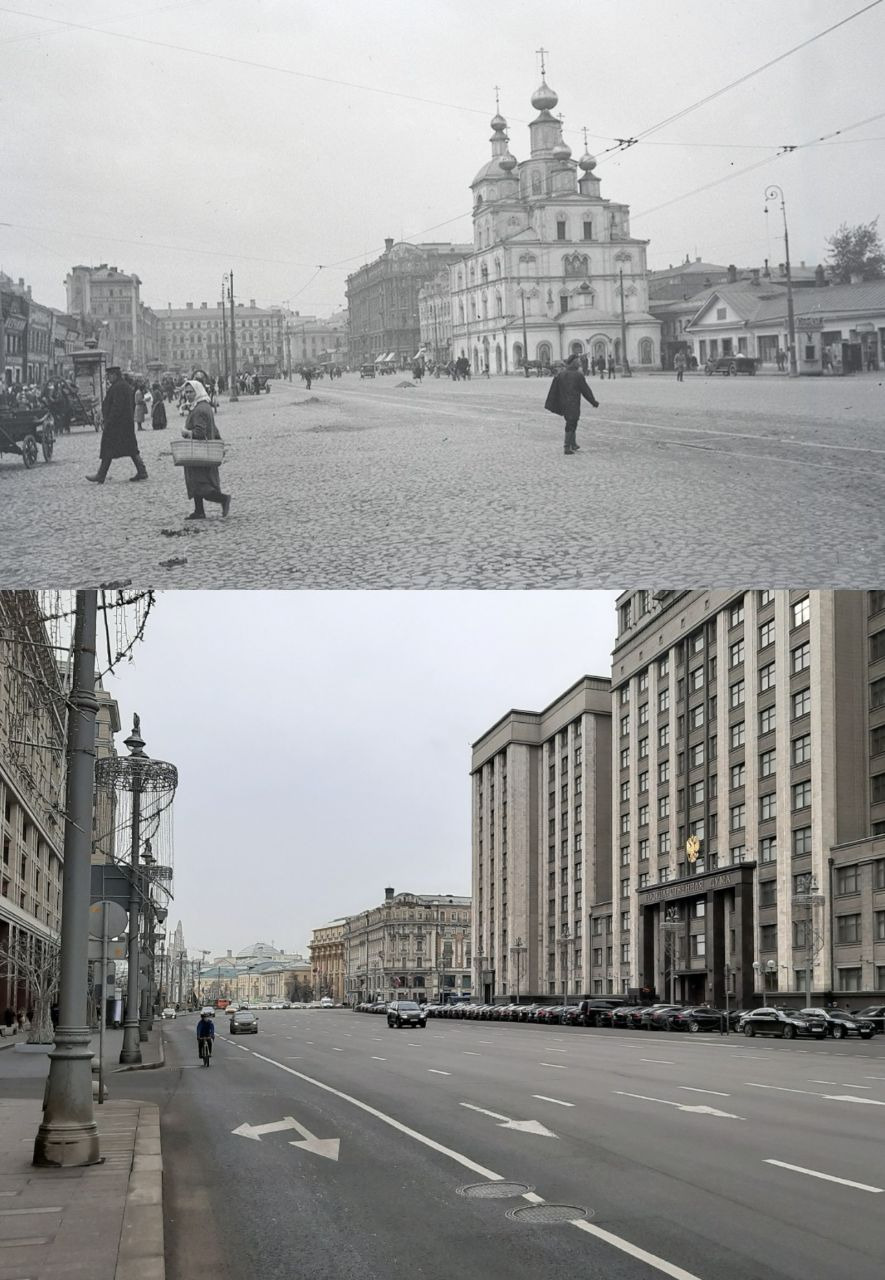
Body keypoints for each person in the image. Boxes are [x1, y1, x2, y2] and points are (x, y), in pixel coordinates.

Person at [86, 366, 148, 484]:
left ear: (114, 375)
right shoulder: (123, 385)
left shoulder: (118, 387)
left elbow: (117, 407)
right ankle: (141, 470)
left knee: (109, 449)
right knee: (130, 449)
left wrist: (109, 421)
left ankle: (101, 475)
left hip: (117, 425)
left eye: (109, 375)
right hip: (124, 424)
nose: (108, 378)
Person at [180, 379, 231, 520]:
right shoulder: (203, 405)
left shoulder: (199, 410)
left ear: (198, 391)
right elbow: (213, 428)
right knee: (196, 480)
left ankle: (223, 499)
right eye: (187, 392)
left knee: (200, 484)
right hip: (203, 451)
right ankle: (199, 511)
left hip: (199, 451)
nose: (188, 394)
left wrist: (186, 432)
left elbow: (199, 433)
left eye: (191, 392)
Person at [545, 352, 600, 455]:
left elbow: (554, 390)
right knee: (571, 423)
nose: (580, 362)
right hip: (573, 403)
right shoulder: (578, 375)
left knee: (572, 421)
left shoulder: (561, 374)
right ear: (574, 363)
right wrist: (593, 402)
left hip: (564, 402)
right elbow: (586, 391)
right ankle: (567, 447)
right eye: (578, 361)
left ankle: (573, 444)